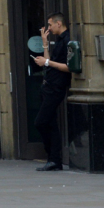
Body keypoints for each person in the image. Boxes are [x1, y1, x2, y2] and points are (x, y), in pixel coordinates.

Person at [30, 12, 73, 170]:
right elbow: (48, 63)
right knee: (50, 123)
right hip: (49, 86)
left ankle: (54, 157)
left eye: (50, 24)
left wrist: (47, 61)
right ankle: (54, 159)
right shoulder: (60, 40)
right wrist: (44, 44)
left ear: (58, 24)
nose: (49, 28)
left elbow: (70, 67)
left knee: (41, 122)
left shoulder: (68, 40)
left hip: (56, 87)